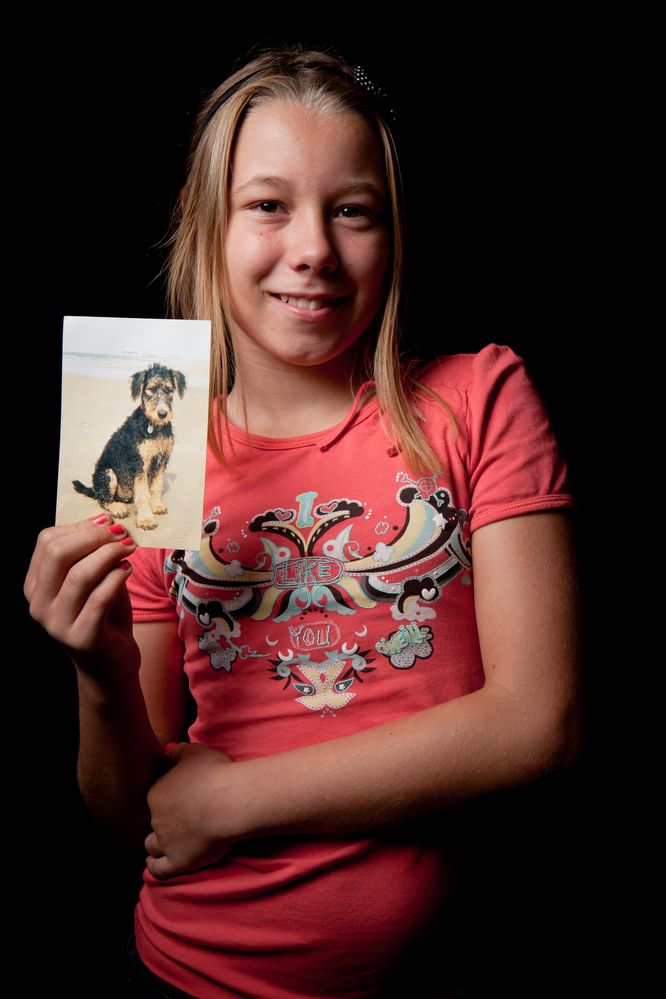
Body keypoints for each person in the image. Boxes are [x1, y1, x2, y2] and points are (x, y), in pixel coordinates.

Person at [25, 47, 580, 999]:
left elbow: (538, 723)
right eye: (268, 205)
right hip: (194, 975)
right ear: (208, 224)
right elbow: (140, 821)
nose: (314, 247)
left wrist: (236, 800)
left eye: (353, 209)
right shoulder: (154, 465)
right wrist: (101, 670)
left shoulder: (478, 400)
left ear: (393, 230)